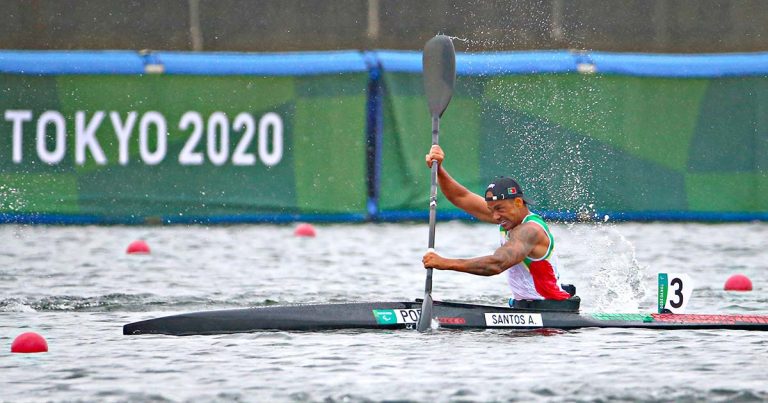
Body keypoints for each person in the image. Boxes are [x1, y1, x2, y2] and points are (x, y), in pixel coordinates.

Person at [421, 145, 572, 301]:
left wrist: (445, 263)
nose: (495, 216)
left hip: (551, 310)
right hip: (524, 307)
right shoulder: (507, 216)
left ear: (518, 202)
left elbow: (496, 264)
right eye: (491, 210)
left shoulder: (530, 230)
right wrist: (438, 168)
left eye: (499, 209)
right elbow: (461, 197)